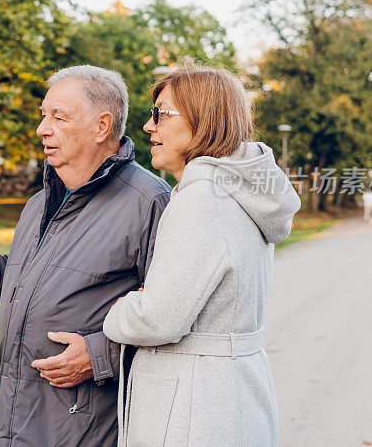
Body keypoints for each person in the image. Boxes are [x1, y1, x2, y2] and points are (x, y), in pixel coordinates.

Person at [0, 65, 170, 446]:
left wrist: (100, 353)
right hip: (17, 421)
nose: (42, 129)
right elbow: (20, 292)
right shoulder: (38, 203)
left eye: (59, 117)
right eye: (43, 116)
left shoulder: (150, 202)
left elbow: (172, 317)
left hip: (86, 428)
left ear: (102, 126)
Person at [103, 65, 301, 446]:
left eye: (161, 113)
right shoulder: (236, 193)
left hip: (193, 409)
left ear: (202, 120)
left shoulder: (202, 200)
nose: (148, 126)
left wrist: (123, 306)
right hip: (231, 396)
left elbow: (158, 321)